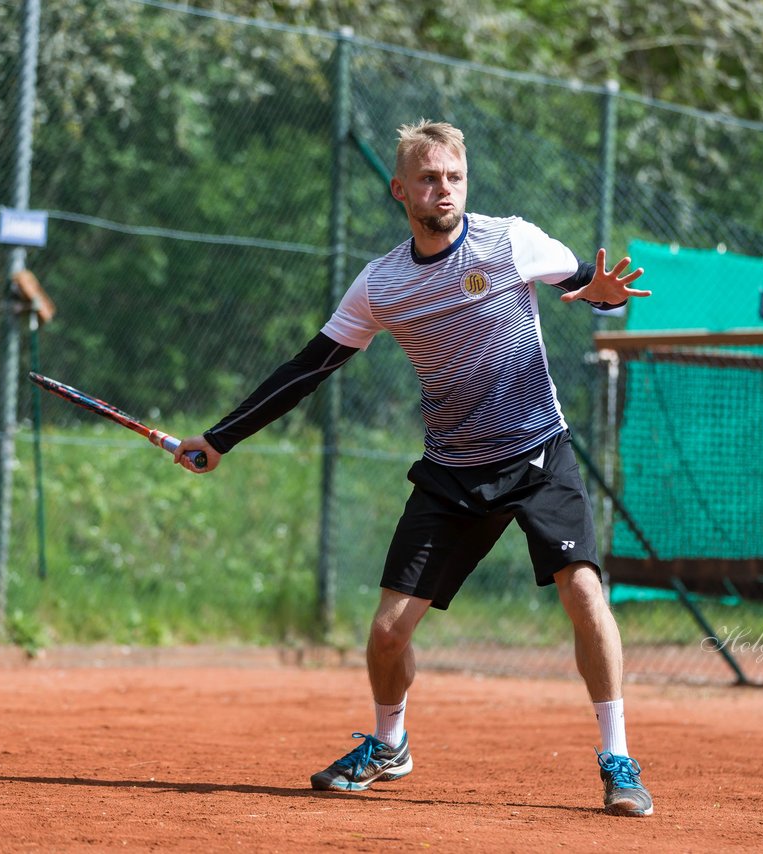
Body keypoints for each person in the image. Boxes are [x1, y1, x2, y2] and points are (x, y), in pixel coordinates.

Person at [174, 119, 654, 817]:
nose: (444, 190)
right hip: (453, 470)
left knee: (584, 595)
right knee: (387, 631)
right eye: (429, 179)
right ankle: (390, 743)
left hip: (537, 453)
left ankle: (617, 758)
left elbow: (589, 286)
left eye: (455, 177)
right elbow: (309, 368)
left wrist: (605, 293)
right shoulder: (383, 285)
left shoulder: (512, 240)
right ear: (401, 190)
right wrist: (220, 439)